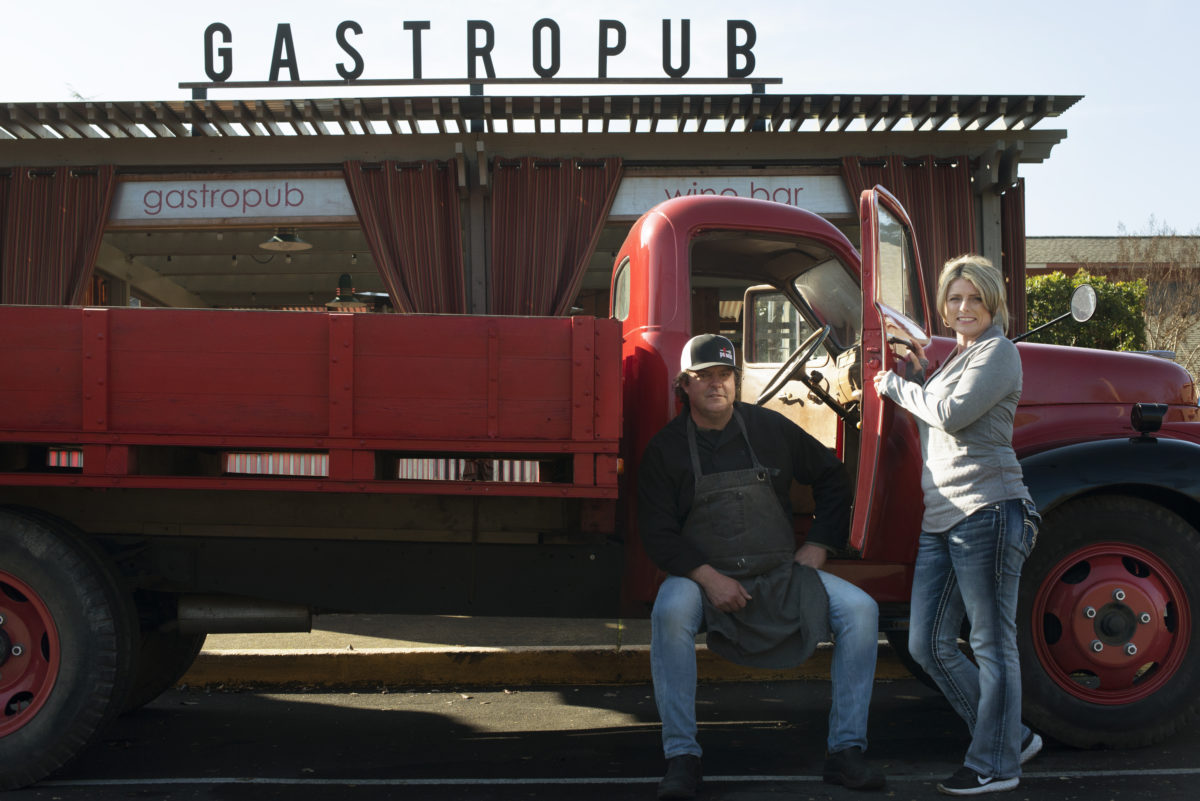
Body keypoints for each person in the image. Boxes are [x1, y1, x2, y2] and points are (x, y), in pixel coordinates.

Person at [639, 333, 886, 799]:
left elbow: (833, 477)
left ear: (736, 382)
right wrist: (709, 579)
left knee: (861, 611)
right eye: (704, 377)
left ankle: (846, 751)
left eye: (725, 376)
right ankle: (682, 757)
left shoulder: (771, 429)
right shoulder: (665, 450)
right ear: (684, 386)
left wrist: (818, 544)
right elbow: (658, 534)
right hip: (703, 576)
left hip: (780, 573)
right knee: (669, 613)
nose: (716, 385)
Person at [873, 255, 1043, 795]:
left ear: (993, 302)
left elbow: (950, 415)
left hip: (989, 509)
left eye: (974, 297)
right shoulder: (958, 357)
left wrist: (894, 386)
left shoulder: (1000, 352)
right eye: (954, 298)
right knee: (927, 644)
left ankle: (996, 764)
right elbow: (941, 400)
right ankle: (1010, 737)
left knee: (993, 646)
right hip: (943, 516)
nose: (963, 307)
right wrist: (919, 372)